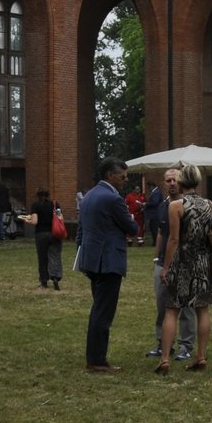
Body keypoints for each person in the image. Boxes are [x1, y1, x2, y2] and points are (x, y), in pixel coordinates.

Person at [155, 164, 212, 374]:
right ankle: (200, 356)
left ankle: (165, 359)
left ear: (181, 181)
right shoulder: (210, 204)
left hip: (181, 261)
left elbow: (173, 240)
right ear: (199, 181)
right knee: (202, 309)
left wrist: (166, 266)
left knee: (172, 310)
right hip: (203, 262)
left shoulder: (176, 205)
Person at [77, 158, 139, 372]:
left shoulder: (89, 196)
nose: (125, 180)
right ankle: (97, 360)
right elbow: (132, 228)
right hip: (109, 261)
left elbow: (81, 231)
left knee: (98, 309)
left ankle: (95, 357)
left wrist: (83, 255)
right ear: (110, 176)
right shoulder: (113, 199)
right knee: (103, 313)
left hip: (92, 261)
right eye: (123, 176)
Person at [145, 168, 196, 362]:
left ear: (181, 181)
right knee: (162, 304)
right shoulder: (163, 205)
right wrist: (156, 256)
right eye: (168, 181)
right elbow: (161, 232)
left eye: (175, 180)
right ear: (164, 183)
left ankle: (186, 345)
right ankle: (163, 342)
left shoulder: (188, 205)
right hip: (163, 262)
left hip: (185, 261)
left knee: (187, 305)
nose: (172, 183)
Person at [20, 188, 64, 289]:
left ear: (38, 196)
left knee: (42, 258)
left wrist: (26, 219)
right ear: (48, 195)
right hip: (54, 233)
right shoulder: (55, 204)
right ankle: (56, 277)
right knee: (55, 255)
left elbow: (35, 221)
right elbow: (60, 218)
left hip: (41, 234)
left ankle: (44, 281)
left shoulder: (36, 206)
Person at [0, 176, 13, 241]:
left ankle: (1, 235)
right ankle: (1, 232)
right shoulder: (4, 188)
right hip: (6, 207)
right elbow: (7, 197)